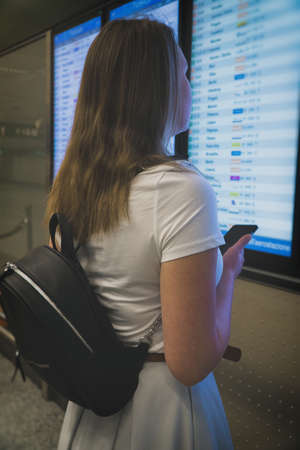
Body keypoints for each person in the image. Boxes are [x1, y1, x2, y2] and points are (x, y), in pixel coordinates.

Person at [44, 18, 251, 450]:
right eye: (185, 75)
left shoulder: (73, 186)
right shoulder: (180, 190)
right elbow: (190, 363)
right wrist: (227, 274)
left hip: (93, 406)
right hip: (162, 412)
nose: (191, 87)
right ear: (157, 91)